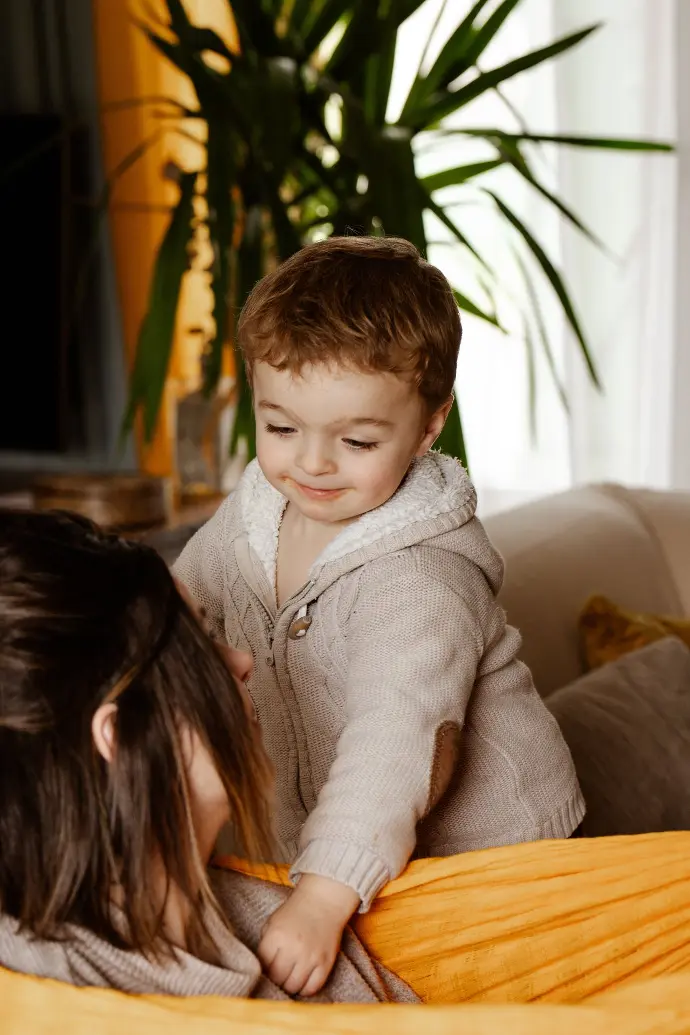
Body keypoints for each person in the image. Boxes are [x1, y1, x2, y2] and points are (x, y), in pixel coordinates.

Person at [174, 235, 585, 995]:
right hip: (334, 839)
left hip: (489, 862)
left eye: (357, 439)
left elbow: (395, 744)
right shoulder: (259, 509)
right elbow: (176, 601)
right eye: (281, 428)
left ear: (430, 425)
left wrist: (324, 894)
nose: (312, 463)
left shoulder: (420, 580)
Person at [0, 508, 417, 1004]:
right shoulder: (42, 998)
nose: (242, 662)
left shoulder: (299, 933)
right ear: (123, 733)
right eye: (201, 649)